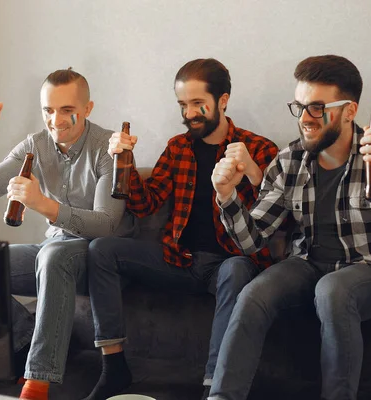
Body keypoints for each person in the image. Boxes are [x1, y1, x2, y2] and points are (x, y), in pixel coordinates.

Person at [209, 55, 371, 400]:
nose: (305, 118)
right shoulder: (289, 161)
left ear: (350, 111)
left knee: (334, 290)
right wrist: (227, 195)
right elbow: (252, 239)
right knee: (253, 293)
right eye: (300, 106)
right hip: (307, 264)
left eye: (318, 108)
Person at [83, 58, 279, 400]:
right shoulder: (178, 147)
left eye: (198, 104)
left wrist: (251, 172)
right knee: (102, 249)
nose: (190, 114)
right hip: (180, 260)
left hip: (229, 263)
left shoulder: (258, 148)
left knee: (235, 270)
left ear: (223, 100)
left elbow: (279, 214)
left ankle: (213, 388)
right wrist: (124, 162)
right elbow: (146, 204)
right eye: (183, 105)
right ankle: (114, 367)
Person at [0, 68, 131, 400]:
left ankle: (37, 383)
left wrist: (41, 204)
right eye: (48, 110)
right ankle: (30, 339)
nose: (56, 120)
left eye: (67, 110)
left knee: (53, 255)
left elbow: (105, 224)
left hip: (102, 255)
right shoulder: (35, 145)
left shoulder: (109, 147)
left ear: (87, 108)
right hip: (56, 247)